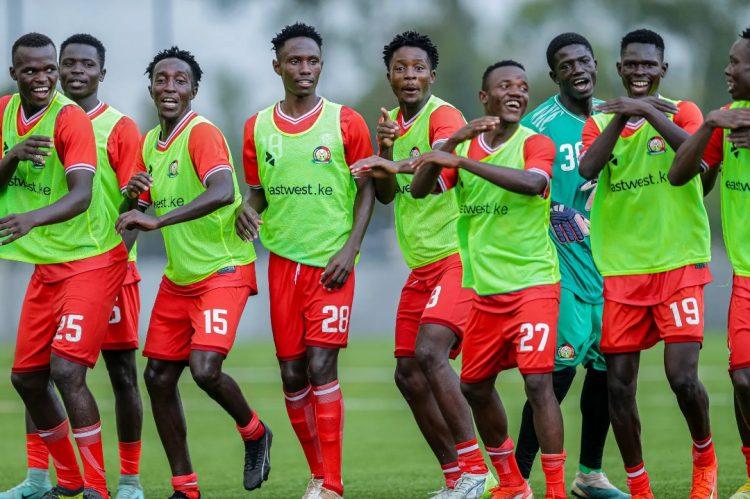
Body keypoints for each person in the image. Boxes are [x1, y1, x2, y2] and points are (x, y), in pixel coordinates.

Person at [116, 46, 270, 499]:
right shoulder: (149, 143)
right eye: (161, 79)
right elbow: (134, 214)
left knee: (204, 369)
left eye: (180, 81)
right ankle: (185, 488)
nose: (170, 87)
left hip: (222, 270)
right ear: (151, 87)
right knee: (157, 378)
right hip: (180, 279)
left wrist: (159, 221)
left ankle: (255, 432)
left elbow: (222, 191)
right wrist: (131, 201)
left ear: (193, 90)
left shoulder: (201, 133)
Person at [411, 60, 566, 499]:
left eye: (522, 86)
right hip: (484, 292)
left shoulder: (535, 142)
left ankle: (555, 490)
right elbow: (421, 189)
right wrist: (452, 142)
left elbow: (533, 183)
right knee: (474, 386)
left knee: (537, 382)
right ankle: (513, 485)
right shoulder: (465, 146)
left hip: (533, 285)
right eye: (505, 86)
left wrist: (462, 160)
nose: (516, 92)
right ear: (484, 98)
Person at [0, 33, 145, 499]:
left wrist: (30, 219)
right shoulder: (5, 113)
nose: (48, 77)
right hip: (48, 262)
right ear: (14, 73)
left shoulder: (81, 121)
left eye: (50, 69)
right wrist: (11, 155)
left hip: (98, 260)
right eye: (35, 70)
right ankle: (56, 480)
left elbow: (90, 196)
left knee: (100, 373)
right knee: (27, 377)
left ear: (102, 72)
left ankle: (114, 485)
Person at [234, 23, 375, 499]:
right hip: (282, 264)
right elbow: (258, 192)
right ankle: (318, 476)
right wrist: (246, 209)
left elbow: (367, 189)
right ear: (277, 66)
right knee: (292, 374)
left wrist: (350, 249)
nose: (304, 68)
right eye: (294, 61)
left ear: (321, 64)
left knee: (321, 365)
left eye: (312, 60)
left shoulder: (346, 122)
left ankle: (332, 483)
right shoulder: (257, 127)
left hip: (331, 263)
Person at [349, 31, 491, 497]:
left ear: (432, 75)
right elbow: (388, 196)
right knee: (408, 374)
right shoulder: (392, 123)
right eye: (400, 69)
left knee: (430, 353)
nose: (409, 76)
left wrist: (388, 161)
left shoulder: (443, 116)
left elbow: (434, 179)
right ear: (389, 76)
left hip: (457, 257)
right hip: (422, 265)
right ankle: (456, 478)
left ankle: (477, 470)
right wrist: (386, 152)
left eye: (417, 68)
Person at [578, 28, 716, 499]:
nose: (640, 72)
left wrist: (649, 112)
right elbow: (588, 169)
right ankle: (640, 487)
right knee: (619, 387)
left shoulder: (685, 112)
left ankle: (705, 459)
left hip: (679, 261)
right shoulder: (600, 122)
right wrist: (624, 116)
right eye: (632, 65)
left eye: (649, 65)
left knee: (682, 378)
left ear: (663, 70)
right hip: (622, 271)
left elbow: (694, 161)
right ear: (619, 69)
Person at [514, 32, 626, 499]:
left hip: (611, 267)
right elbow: (524, 187)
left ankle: (590, 475)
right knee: (554, 378)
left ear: (596, 64)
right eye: (566, 65)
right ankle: (517, 479)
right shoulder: (538, 125)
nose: (578, 70)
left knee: (606, 374)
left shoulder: (614, 117)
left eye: (584, 61)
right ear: (554, 75)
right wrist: (553, 216)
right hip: (561, 269)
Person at [669, 26, 750, 499]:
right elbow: (683, 177)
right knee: (743, 377)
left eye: (737, 63)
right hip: (746, 274)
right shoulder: (728, 118)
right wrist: (706, 128)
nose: (727, 69)